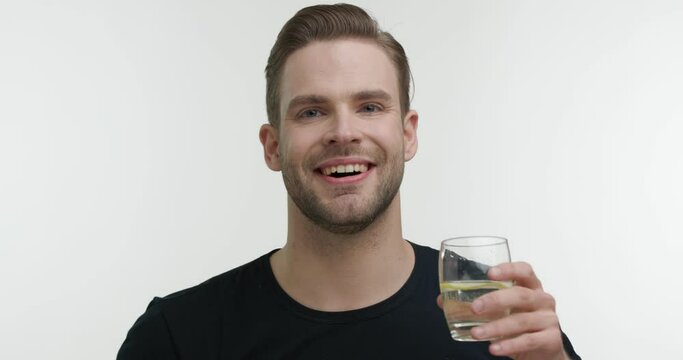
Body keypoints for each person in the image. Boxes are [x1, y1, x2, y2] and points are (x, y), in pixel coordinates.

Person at [117, 4, 580, 359]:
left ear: (408, 133)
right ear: (273, 147)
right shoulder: (177, 336)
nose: (343, 131)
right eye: (312, 111)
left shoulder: (496, 318)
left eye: (370, 106)